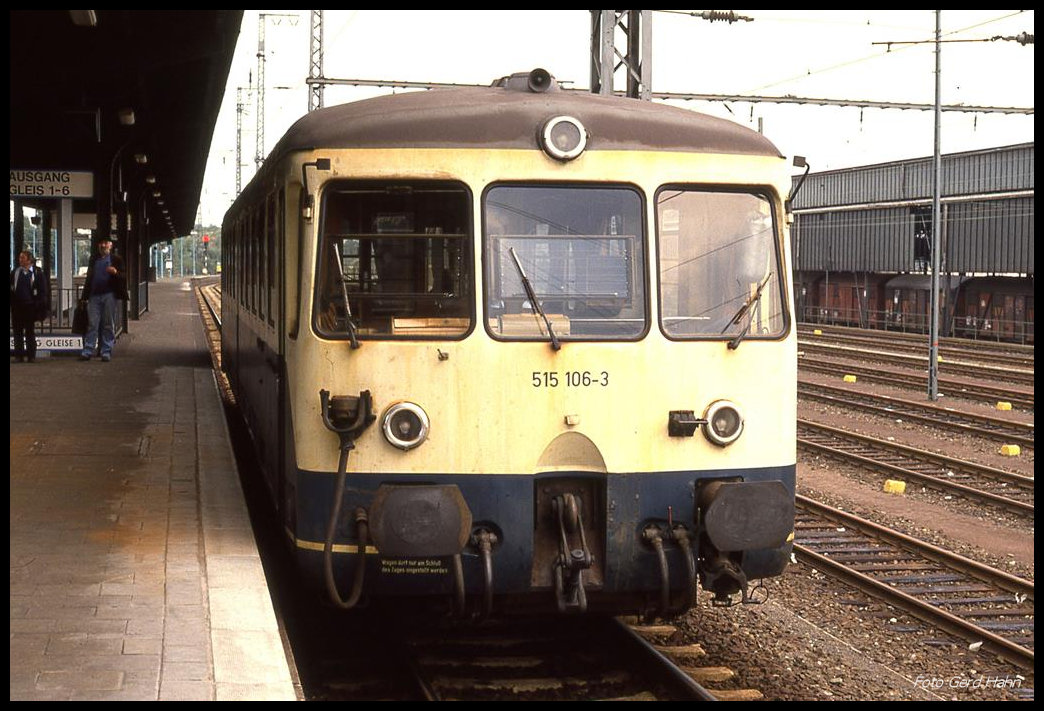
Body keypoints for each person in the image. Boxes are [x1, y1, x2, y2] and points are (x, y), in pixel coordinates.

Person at [79, 237, 129, 362]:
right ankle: (88, 350)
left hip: (109, 295)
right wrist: (85, 296)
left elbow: (124, 276)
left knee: (108, 323)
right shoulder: (94, 259)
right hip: (94, 296)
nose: (103, 245)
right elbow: (89, 279)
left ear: (110, 245)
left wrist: (115, 272)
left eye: (105, 243)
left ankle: (106, 351)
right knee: (92, 324)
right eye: (101, 243)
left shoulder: (116, 259)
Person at [10, 249, 50, 362]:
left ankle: (31, 355)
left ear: (29, 260)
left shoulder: (37, 273)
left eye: (23, 258)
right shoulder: (15, 272)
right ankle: (19, 355)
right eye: (20, 258)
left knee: (29, 331)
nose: (20, 260)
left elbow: (42, 291)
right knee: (17, 331)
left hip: (30, 306)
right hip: (17, 306)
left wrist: (39, 305)